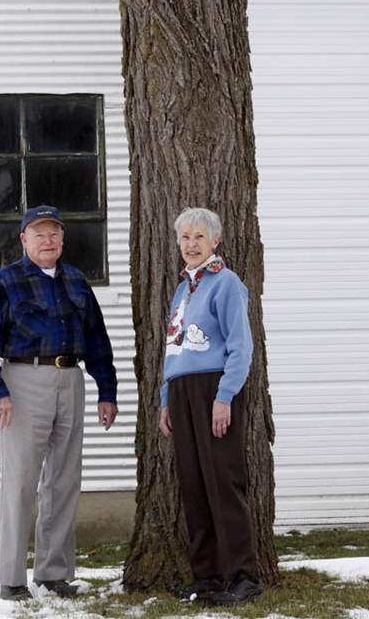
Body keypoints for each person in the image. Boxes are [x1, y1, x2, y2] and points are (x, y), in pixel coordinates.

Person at [0, 205, 118, 601]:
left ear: (63, 239)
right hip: (22, 382)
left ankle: (54, 572)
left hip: (71, 379)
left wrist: (107, 391)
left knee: (64, 480)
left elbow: (98, 342)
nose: (47, 240)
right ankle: (12, 578)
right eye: (39, 234)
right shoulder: (6, 281)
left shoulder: (76, 282)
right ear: (23, 239)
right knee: (20, 482)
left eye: (54, 233)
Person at [159, 207, 261, 605]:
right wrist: (167, 398)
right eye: (185, 237)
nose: (191, 244)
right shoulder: (183, 288)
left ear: (215, 241)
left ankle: (243, 577)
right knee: (194, 484)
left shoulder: (226, 283)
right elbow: (174, 346)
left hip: (213, 389)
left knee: (222, 483)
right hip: (182, 392)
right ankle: (208, 576)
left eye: (199, 236)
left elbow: (241, 346)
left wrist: (224, 397)